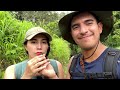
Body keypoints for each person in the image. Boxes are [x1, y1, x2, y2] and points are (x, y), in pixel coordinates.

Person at [58, 11, 120, 79]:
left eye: (89, 23)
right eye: (76, 27)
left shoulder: (118, 60)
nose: (83, 31)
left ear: (99, 27)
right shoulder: (73, 62)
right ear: (71, 34)